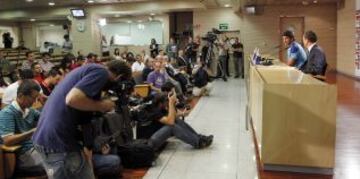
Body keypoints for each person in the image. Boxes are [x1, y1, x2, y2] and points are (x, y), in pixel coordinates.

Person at [32, 60, 132, 179]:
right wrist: (103, 105)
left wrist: (88, 153)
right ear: (119, 77)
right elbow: (72, 99)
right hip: (58, 144)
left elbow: (85, 119)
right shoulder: (101, 72)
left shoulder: (88, 72)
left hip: (52, 140)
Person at [141, 90, 213, 151]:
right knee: (171, 127)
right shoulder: (154, 111)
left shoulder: (160, 107)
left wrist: (173, 104)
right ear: (160, 103)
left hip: (157, 134)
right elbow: (170, 122)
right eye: (166, 102)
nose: (167, 105)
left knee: (176, 120)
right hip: (149, 142)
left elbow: (174, 116)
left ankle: (199, 137)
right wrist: (171, 103)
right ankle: (198, 143)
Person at [0, 80, 44, 173]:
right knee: (57, 161)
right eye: (33, 98)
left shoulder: (30, 110)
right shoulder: (7, 113)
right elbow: (7, 140)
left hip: (35, 148)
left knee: (64, 154)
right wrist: (32, 132)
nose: (34, 101)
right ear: (20, 96)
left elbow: (44, 119)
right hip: (21, 155)